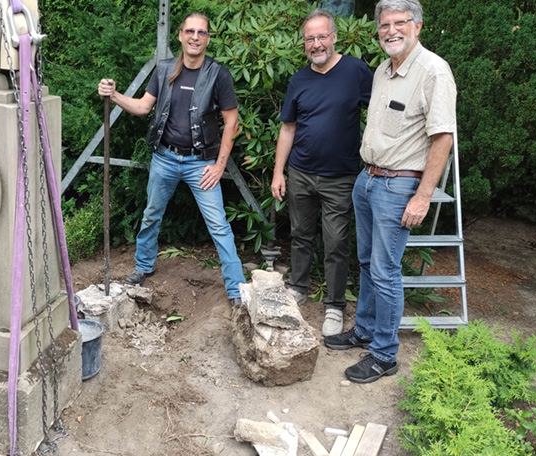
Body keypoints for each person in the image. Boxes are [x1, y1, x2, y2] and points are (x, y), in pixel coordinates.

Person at [324, 0, 457, 383]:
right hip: (368, 180)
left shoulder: (433, 71)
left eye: (400, 23)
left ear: (418, 26)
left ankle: (384, 354)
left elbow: (442, 139)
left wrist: (422, 195)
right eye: (385, 24)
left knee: (385, 271)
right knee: (367, 263)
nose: (391, 30)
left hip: (399, 185)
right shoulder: (383, 69)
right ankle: (364, 330)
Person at [97, 12, 245, 305]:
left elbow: (232, 122)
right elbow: (142, 107)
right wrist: (113, 95)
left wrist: (219, 166)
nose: (195, 37)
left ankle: (236, 289)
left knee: (218, 225)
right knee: (152, 213)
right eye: (190, 31)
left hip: (201, 163)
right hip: (164, 158)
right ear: (180, 35)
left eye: (201, 33)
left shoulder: (218, 74)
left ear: (208, 39)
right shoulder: (164, 70)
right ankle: (143, 266)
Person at [270, 9, 373, 337]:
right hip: (300, 172)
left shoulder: (356, 71)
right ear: (304, 44)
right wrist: (278, 173)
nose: (316, 44)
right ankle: (298, 288)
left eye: (321, 36)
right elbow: (288, 128)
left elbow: (380, 113)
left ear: (334, 37)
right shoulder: (299, 79)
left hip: (340, 177)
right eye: (310, 39)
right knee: (300, 235)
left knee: (336, 242)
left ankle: (334, 305)